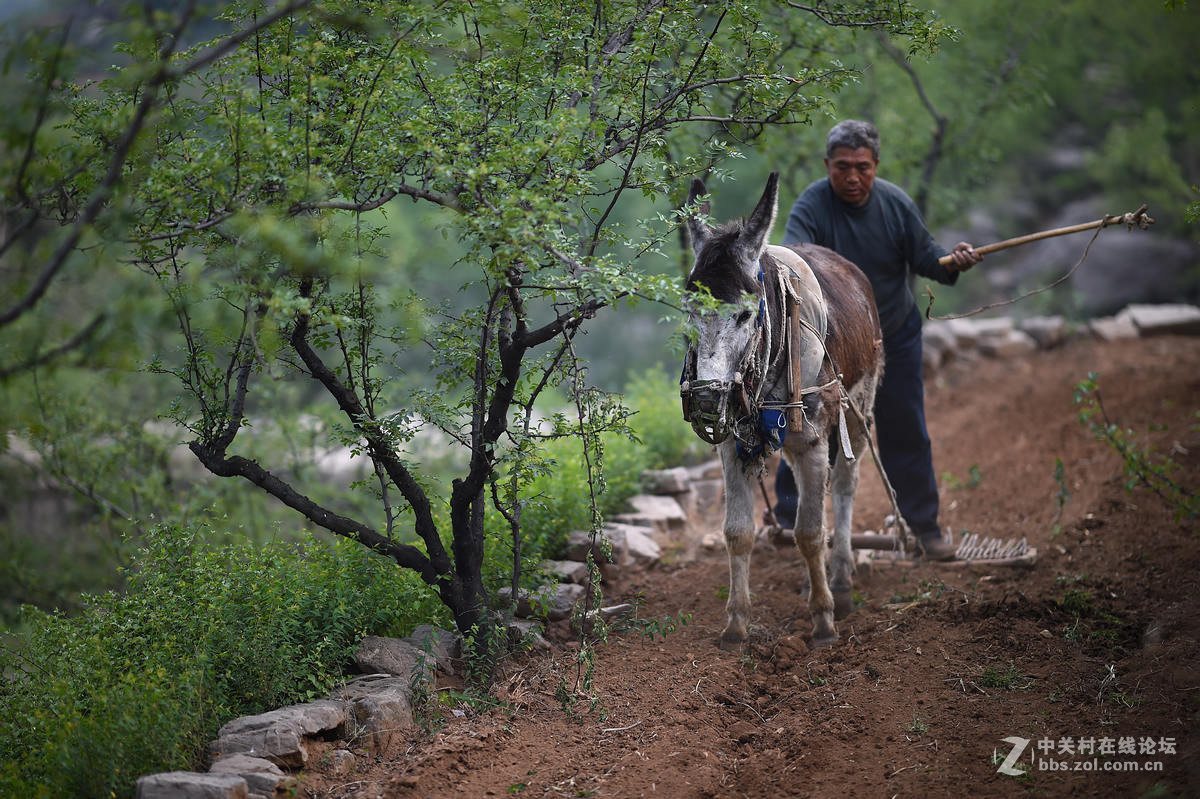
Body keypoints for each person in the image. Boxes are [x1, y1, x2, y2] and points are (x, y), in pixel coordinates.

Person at [773, 119, 982, 560]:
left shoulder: (894, 204)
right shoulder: (813, 204)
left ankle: (924, 528)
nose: (853, 177)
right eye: (843, 167)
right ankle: (788, 519)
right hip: (833, 340)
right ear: (827, 165)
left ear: (876, 165)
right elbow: (792, 258)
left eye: (863, 167)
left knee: (906, 427)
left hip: (894, 334)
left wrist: (955, 262)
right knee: (806, 422)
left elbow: (929, 258)